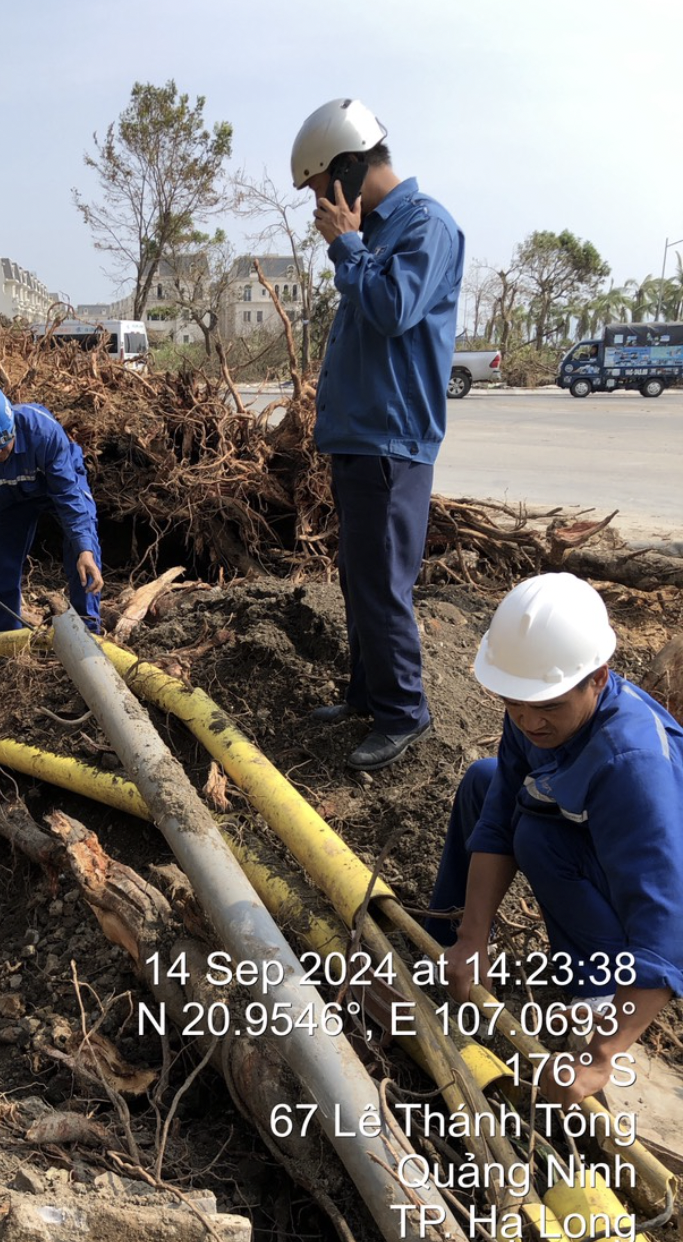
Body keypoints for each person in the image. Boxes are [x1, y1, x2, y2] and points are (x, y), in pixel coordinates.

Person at [426, 572, 683, 1105]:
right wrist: (474, 937)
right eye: (515, 703)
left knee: (539, 837)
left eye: (547, 707)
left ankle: (594, 995)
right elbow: (496, 813)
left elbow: (665, 922)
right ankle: (446, 944)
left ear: (598, 678)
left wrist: (601, 1056)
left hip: (661, 880)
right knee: (483, 779)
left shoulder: (631, 766)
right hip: (596, 829)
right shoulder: (533, 709)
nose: (528, 721)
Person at [291, 98, 465, 770]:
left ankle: (404, 715)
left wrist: (347, 245)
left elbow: (393, 311)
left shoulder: (426, 227)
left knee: (382, 582)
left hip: (392, 440)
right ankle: (368, 696)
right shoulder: (377, 233)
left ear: (348, 170)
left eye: (317, 189)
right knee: (360, 575)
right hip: (362, 438)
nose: (316, 207)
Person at [0, 378, 103, 633]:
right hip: (8, 501)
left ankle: (88, 634)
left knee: (83, 557)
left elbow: (68, 495)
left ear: (11, 424)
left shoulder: (42, 431)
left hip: (56, 487)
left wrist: (84, 547)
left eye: (4, 444)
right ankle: (7, 642)